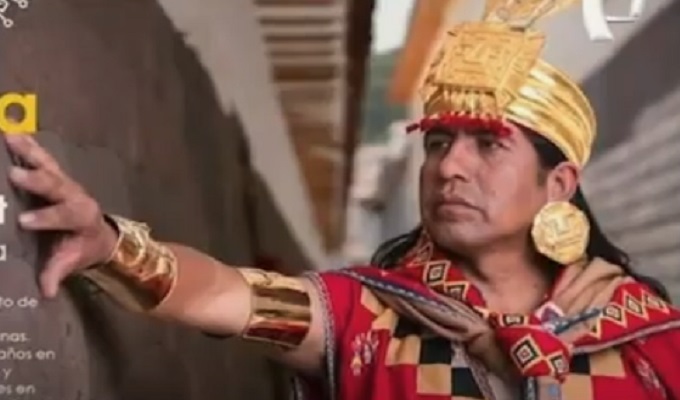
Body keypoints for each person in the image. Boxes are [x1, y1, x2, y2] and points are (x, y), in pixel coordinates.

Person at [4, 1, 680, 399]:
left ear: (558, 185)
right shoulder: (367, 317)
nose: (450, 167)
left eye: (487, 144)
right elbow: (221, 293)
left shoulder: (652, 342)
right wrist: (110, 244)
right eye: (437, 143)